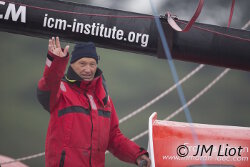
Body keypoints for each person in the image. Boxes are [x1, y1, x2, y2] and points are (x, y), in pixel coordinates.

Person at [37, 37, 151, 167]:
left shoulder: (104, 98)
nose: (88, 69)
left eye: (92, 64)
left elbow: (113, 137)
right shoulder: (61, 91)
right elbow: (46, 88)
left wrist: (137, 155)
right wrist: (57, 62)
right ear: (72, 64)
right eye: (82, 63)